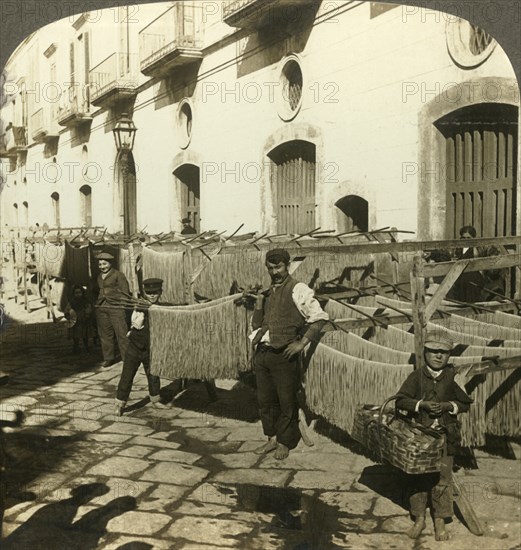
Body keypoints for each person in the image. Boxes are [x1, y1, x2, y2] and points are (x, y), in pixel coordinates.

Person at [248, 248, 329, 460]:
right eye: (270, 268)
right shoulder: (267, 293)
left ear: (288, 265)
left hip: (283, 355)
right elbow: (257, 325)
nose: (274, 272)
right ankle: (271, 438)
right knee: (265, 400)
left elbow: (320, 317)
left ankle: (284, 441)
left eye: (279, 267)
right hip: (263, 353)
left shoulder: (298, 289)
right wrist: (258, 304)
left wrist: (301, 343)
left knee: (286, 400)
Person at [395, 330, 473, 541]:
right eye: (433, 351)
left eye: (443, 353)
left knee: (443, 478)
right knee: (418, 477)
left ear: (449, 356)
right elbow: (400, 400)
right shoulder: (417, 376)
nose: (438, 356)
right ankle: (419, 518)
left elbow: (465, 403)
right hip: (420, 438)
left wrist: (449, 406)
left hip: (445, 438)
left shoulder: (453, 377)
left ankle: (440, 519)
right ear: (425, 352)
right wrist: (421, 405)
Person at [115, 278, 167, 416]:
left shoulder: (162, 309)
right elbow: (127, 320)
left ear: (160, 292)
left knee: (153, 374)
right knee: (127, 375)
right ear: (144, 292)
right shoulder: (137, 305)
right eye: (149, 293)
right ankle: (120, 403)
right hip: (134, 348)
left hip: (151, 348)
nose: (152, 295)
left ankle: (155, 399)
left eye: (155, 292)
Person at [94, 252, 130, 368]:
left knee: (122, 334)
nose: (102, 267)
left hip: (116, 307)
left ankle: (127, 358)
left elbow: (125, 291)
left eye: (104, 264)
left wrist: (122, 306)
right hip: (102, 307)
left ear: (110, 263)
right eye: (100, 264)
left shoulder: (118, 275)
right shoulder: (98, 276)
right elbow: (93, 290)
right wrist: (95, 304)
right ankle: (108, 358)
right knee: (105, 335)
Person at [64, 285, 94, 353]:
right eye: (76, 293)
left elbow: (88, 308)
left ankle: (86, 347)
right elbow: (67, 309)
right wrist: (68, 315)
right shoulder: (72, 302)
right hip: (75, 320)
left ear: (82, 293)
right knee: (75, 335)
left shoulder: (85, 301)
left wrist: (87, 314)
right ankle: (75, 347)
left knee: (85, 335)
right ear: (74, 294)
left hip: (84, 319)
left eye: (79, 292)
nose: (78, 294)